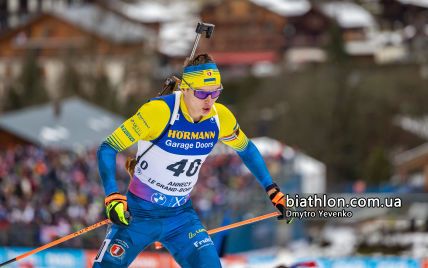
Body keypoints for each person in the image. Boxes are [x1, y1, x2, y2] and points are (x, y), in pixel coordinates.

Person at [93, 54, 293, 268]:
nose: (209, 100)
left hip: (181, 218)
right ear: (185, 89)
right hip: (138, 214)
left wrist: (272, 189)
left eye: (216, 92)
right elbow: (108, 147)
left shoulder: (220, 118)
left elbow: (247, 149)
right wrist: (112, 196)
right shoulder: (159, 112)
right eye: (202, 93)